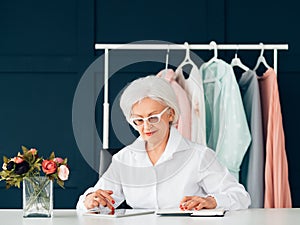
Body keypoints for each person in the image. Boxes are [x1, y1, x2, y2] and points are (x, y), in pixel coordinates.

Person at [76, 75, 251, 211]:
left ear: (171, 114)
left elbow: (240, 196)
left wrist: (212, 201)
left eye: (153, 118)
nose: (146, 127)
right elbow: (96, 204)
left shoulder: (199, 156)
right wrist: (90, 200)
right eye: (138, 120)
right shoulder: (124, 159)